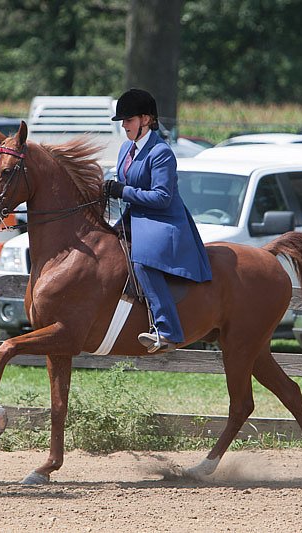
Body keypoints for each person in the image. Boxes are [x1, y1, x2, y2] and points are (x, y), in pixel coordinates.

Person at [103, 88, 212, 353]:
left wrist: (123, 191)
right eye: (123, 122)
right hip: (135, 217)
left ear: (146, 120)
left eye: (128, 120)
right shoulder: (125, 151)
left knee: (142, 263)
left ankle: (167, 331)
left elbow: (162, 197)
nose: (124, 126)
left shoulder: (161, 152)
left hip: (162, 221)